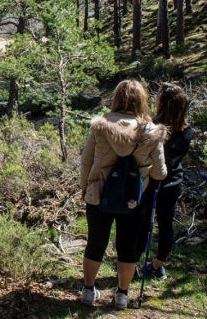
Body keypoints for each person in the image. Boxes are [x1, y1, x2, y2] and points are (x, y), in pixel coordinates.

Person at [79, 79, 168, 310]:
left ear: (116, 97)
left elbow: (86, 161)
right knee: (127, 245)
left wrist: (84, 188)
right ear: (142, 100)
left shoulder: (101, 125)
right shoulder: (151, 131)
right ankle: (122, 295)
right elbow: (160, 171)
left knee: (96, 242)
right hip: (135, 199)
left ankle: (88, 291)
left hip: (98, 193)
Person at [136, 82, 194, 280]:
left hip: (153, 181)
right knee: (165, 223)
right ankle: (158, 265)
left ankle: (131, 263)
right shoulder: (187, 131)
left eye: (158, 96)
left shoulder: (154, 129)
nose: (155, 99)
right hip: (174, 182)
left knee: (142, 223)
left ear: (164, 103)